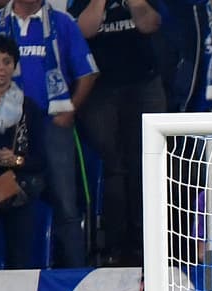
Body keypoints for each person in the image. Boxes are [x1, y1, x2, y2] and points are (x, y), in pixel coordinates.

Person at [0, 0, 98, 269]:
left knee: (65, 202)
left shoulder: (62, 23)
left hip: (53, 125)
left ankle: (75, 276)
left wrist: (71, 109)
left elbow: (88, 72)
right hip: (2, 130)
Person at [68, 0, 165, 268]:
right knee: (113, 166)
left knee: (146, 163)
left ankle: (146, 241)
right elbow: (82, 31)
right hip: (100, 89)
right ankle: (115, 244)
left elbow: (150, 24)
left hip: (144, 83)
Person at [0, 34, 46, 269]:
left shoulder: (28, 107)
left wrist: (14, 159)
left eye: (7, 61)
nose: (0, 68)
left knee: (20, 255)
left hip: (17, 188)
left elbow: (41, 160)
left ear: (14, 67)